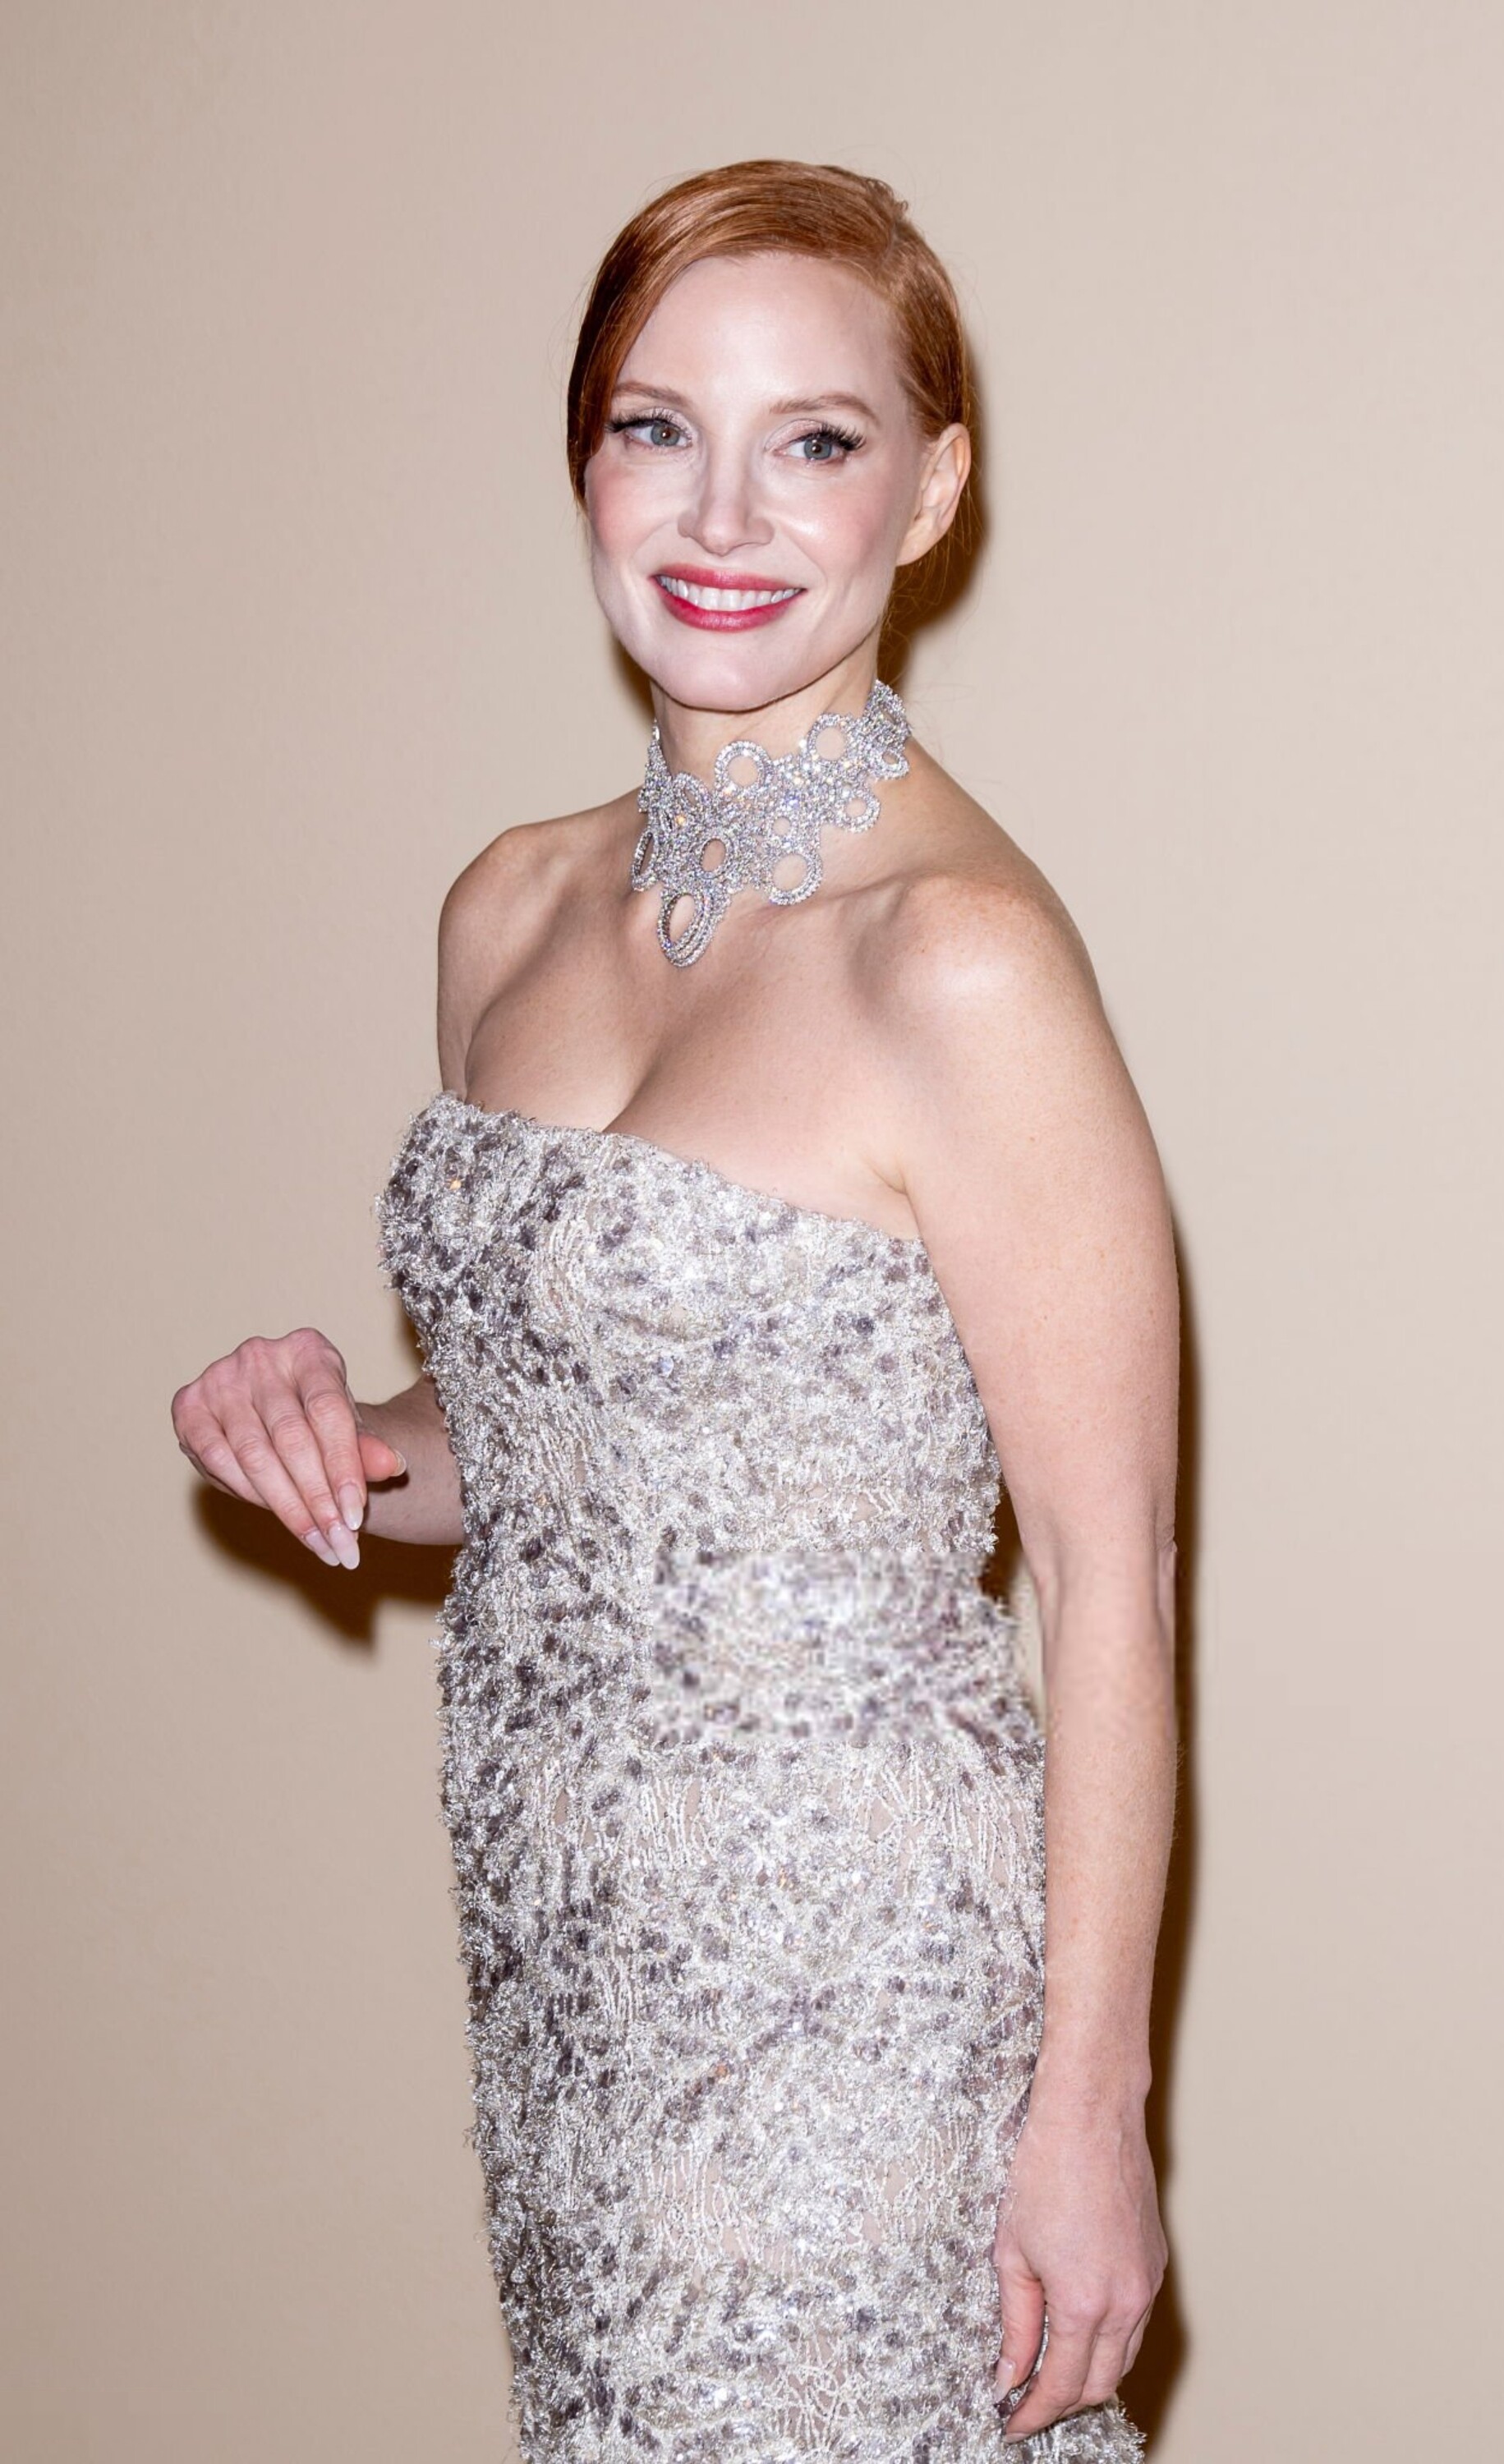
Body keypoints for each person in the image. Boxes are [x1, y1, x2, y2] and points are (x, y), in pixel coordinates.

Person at [172, 160, 1180, 2462]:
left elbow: (1112, 1574)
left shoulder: (964, 963)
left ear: (933, 490)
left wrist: (1091, 2108)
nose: (724, 515)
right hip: (569, 1978)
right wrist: (338, 1434)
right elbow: (548, 1453)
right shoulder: (504, 915)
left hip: (864, 2010)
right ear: (585, 463)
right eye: (656, 429)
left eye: (816, 439)